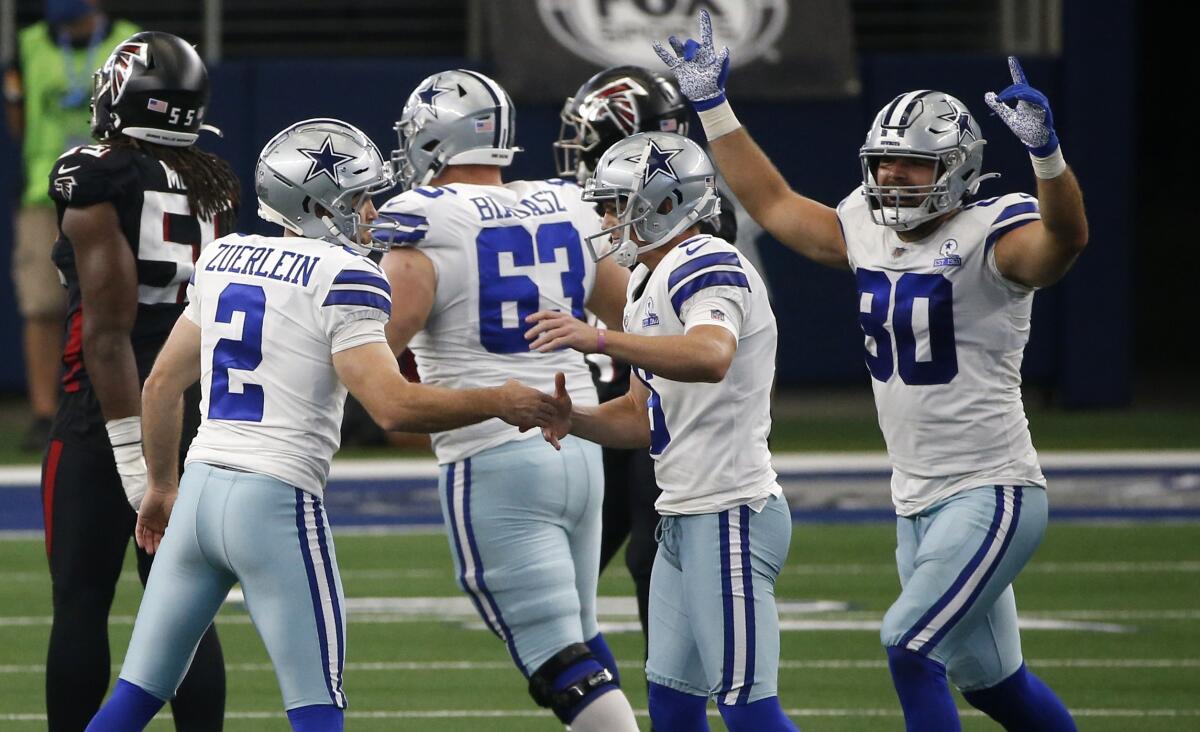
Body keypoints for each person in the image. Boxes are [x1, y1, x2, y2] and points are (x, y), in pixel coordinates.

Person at [655, 10, 1087, 731]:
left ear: (956, 170)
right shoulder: (865, 222)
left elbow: (1064, 241)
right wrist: (712, 105)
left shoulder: (993, 233)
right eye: (883, 161)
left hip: (991, 489)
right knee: (994, 685)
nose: (891, 175)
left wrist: (1048, 159)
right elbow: (773, 204)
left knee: (910, 646)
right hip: (916, 499)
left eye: (911, 163)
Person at [84, 117, 559, 732]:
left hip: (199, 493)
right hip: (274, 502)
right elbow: (392, 407)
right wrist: (498, 400)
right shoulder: (347, 276)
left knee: (134, 697)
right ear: (315, 204)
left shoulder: (225, 255)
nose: (370, 211)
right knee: (317, 709)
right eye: (359, 197)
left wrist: (161, 487)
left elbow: (160, 385)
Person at [377, 69, 639, 731]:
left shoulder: (422, 222)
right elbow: (632, 317)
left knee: (558, 662)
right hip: (579, 447)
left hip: (495, 455)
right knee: (579, 636)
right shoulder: (569, 204)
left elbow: (375, 350)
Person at [527, 131, 799, 731]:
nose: (603, 219)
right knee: (673, 708)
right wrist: (575, 421)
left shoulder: (707, 260)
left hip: (730, 512)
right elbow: (640, 416)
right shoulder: (650, 282)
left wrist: (597, 337)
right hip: (685, 514)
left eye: (614, 205)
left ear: (665, 203)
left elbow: (710, 355)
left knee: (749, 709)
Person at [40, 31, 234, 731]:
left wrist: (135, 465)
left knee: (83, 602)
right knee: (183, 609)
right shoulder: (210, 181)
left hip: (105, 416)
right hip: (194, 419)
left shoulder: (96, 175)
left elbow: (107, 334)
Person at [556, 65, 741, 658]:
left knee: (646, 556)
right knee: (567, 568)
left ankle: (668, 690)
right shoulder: (593, 214)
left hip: (671, 415)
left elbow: (701, 348)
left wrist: (603, 342)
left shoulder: (694, 229)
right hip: (622, 404)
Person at [4, 0, 139, 450]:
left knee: (118, 300)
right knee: (42, 304)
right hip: (46, 193)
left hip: (117, 189)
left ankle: (120, 408)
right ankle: (44, 413)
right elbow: (19, 116)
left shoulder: (130, 37)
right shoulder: (27, 45)